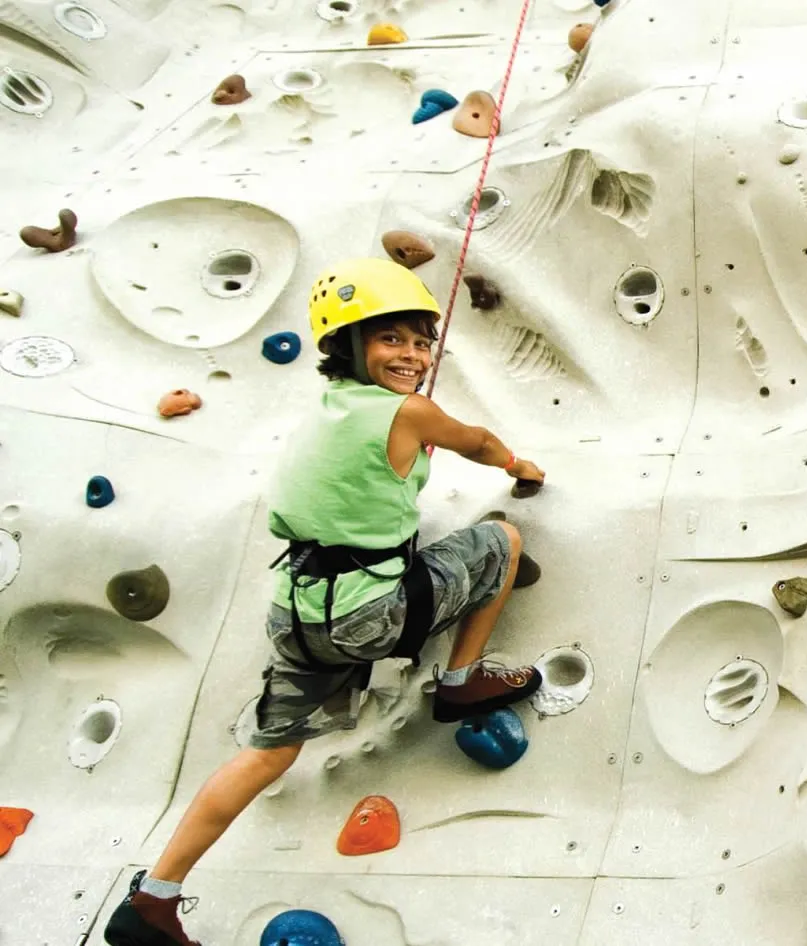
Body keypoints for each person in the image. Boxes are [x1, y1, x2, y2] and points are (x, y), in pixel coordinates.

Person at [106, 258, 552, 944]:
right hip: (367, 615)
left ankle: (153, 898)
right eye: (390, 339)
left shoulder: (326, 404)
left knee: (267, 753)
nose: (412, 355)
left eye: (420, 340)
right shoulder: (411, 409)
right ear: (350, 347)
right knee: (501, 540)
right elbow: (479, 443)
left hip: (297, 615)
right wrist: (517, 465)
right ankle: (461, 684)